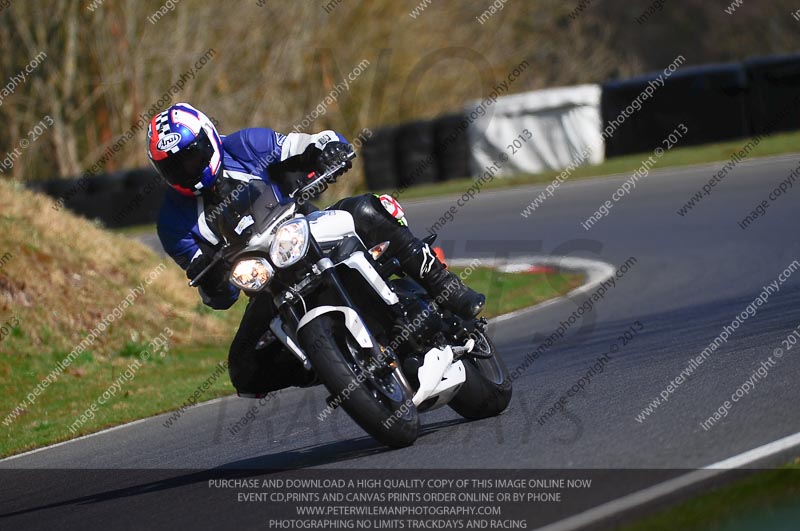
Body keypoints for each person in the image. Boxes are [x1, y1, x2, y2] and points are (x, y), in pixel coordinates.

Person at [148, 102, 484, 397]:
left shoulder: (247, 144)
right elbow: (217, 295)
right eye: (174, 167)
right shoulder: (172, 224)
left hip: (308, 229)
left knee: (366, 210)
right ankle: (333, 365)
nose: (187, 170)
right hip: (267, 283)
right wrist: (211, 282)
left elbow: (310, 142)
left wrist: (329, 150)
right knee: (244, 369)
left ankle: (446, 287)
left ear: (209, 138)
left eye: (192, 158)